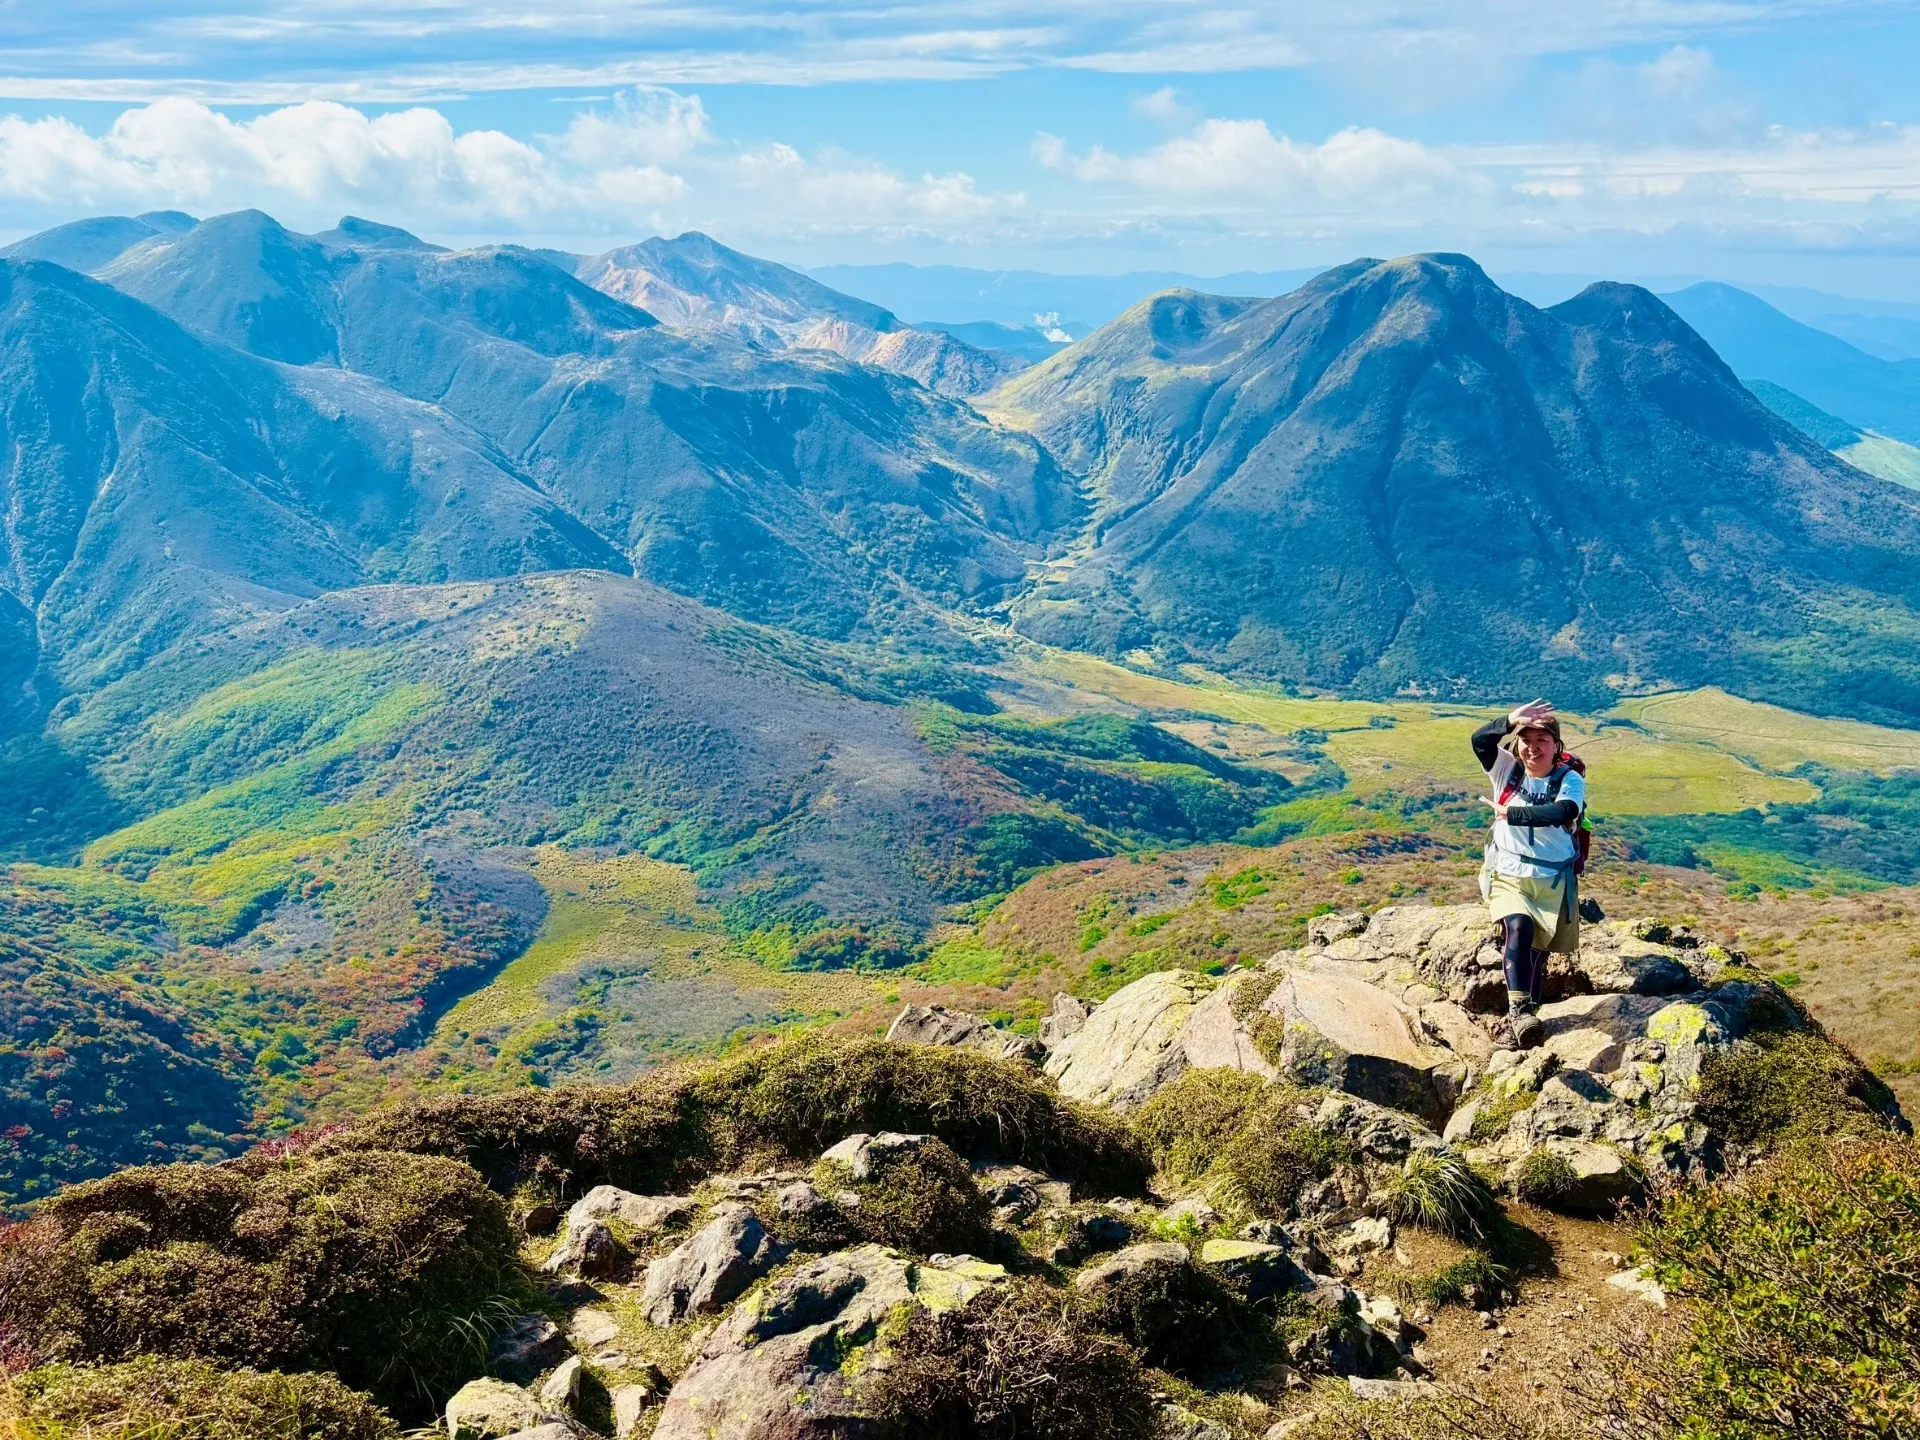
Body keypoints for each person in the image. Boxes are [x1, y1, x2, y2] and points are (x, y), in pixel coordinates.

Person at [1471, 699, 1586, 1049]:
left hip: (1551, 878)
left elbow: (1563, 811)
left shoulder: (1570, 780)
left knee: (1536, 955)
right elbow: (1480, 742)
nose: (1533, 748)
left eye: (1542, 741)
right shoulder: (1506, 770)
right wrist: (1507, 721)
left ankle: (1527, 1023)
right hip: (1508, 870)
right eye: (1526, 740)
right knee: (1517, 928)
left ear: (1556, 746)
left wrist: (1513, 815)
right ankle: (1518, 1011)